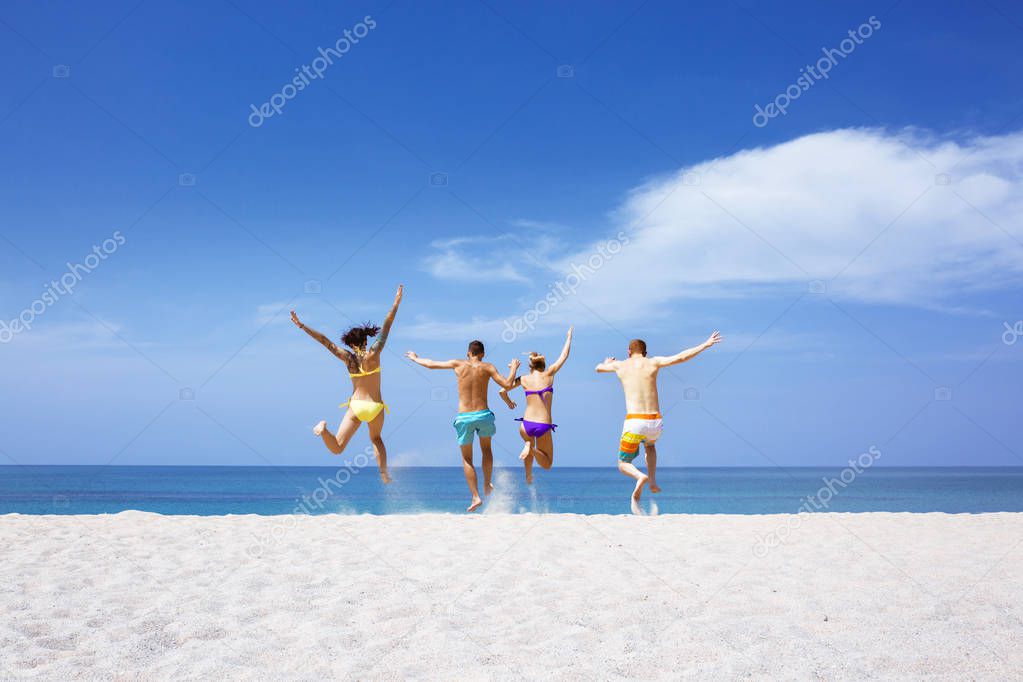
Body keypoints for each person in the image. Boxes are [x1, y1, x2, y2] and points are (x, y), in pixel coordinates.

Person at [596, 331, 722, 513]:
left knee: (622, 464)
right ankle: (653, 481)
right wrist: (705, 344)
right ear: (645, 352)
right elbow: (681, 357)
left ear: (629, 351)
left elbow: (598, 368)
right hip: (655, 422)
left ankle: (640, 477)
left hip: (635, 421)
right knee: (650, 446)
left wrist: (607, 363)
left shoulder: (620, 365)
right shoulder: (653, 362)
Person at [290, 284, 404, 484]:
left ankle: (324, 429)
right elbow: (387, 325)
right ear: (365, 341)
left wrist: (301, 325)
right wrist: (395, 303)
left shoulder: (347, 358)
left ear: (351, 344)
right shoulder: (374, 353)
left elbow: (325, 341)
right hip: (375, 407)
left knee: (338, 448)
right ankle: (384, 474)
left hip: (356, 407)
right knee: (376, 439)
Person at [406, 341, 518, 511]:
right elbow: (508, 385)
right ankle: (487, 483)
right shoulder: (488, 367)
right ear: (482, 354)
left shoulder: (458, 364)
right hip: (483, 415)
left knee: (467, 459)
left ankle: (475, 496)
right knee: (486, 450)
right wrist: (513, 368)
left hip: (464, 417)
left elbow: (431, 365)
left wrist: (415, 358)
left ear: (468, 353)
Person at [498, 327, 572, 484]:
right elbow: (564, 355)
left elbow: (501, 392)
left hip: (526, 425)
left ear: (530, 367)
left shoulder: (523, 379)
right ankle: (530, 448)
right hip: (543, 425)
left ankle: (528, 474)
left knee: (529, 445)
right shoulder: (549, 374)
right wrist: (569, 337)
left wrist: (509, 402)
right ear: (543, 366)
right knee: (547, 463)